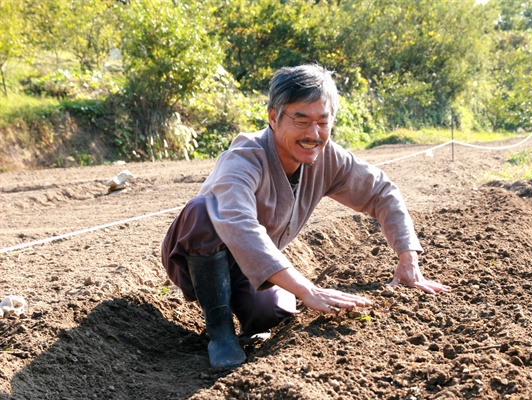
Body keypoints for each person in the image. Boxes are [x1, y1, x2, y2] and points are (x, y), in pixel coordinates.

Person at [161, 64, 450, 369]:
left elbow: (381, 191)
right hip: (199, 258)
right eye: (301, 120)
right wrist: (306, 289)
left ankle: (252, 305)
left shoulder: (328, 158)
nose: (313, 134)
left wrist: (408, 258)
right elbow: (238, 224)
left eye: (323, 122)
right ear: (274, 118)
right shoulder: (245, 156)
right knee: (203, 211)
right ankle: (219, 332)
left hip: (254, 267)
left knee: (271, 315)